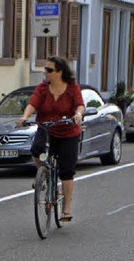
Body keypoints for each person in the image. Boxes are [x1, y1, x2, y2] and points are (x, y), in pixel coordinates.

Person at [16, 56, 84, 222]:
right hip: (47, 128)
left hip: (68, 131)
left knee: (66, 171)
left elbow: (80, 105)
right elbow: (33, 104)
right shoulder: (43, 88)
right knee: (36, 150)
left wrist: (78, 114)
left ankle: (66, 210)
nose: (45, 72)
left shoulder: (72, 88)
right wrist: (25, 117)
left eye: (49, 70)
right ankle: (44, 174)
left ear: (60, 72)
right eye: (45, 69)